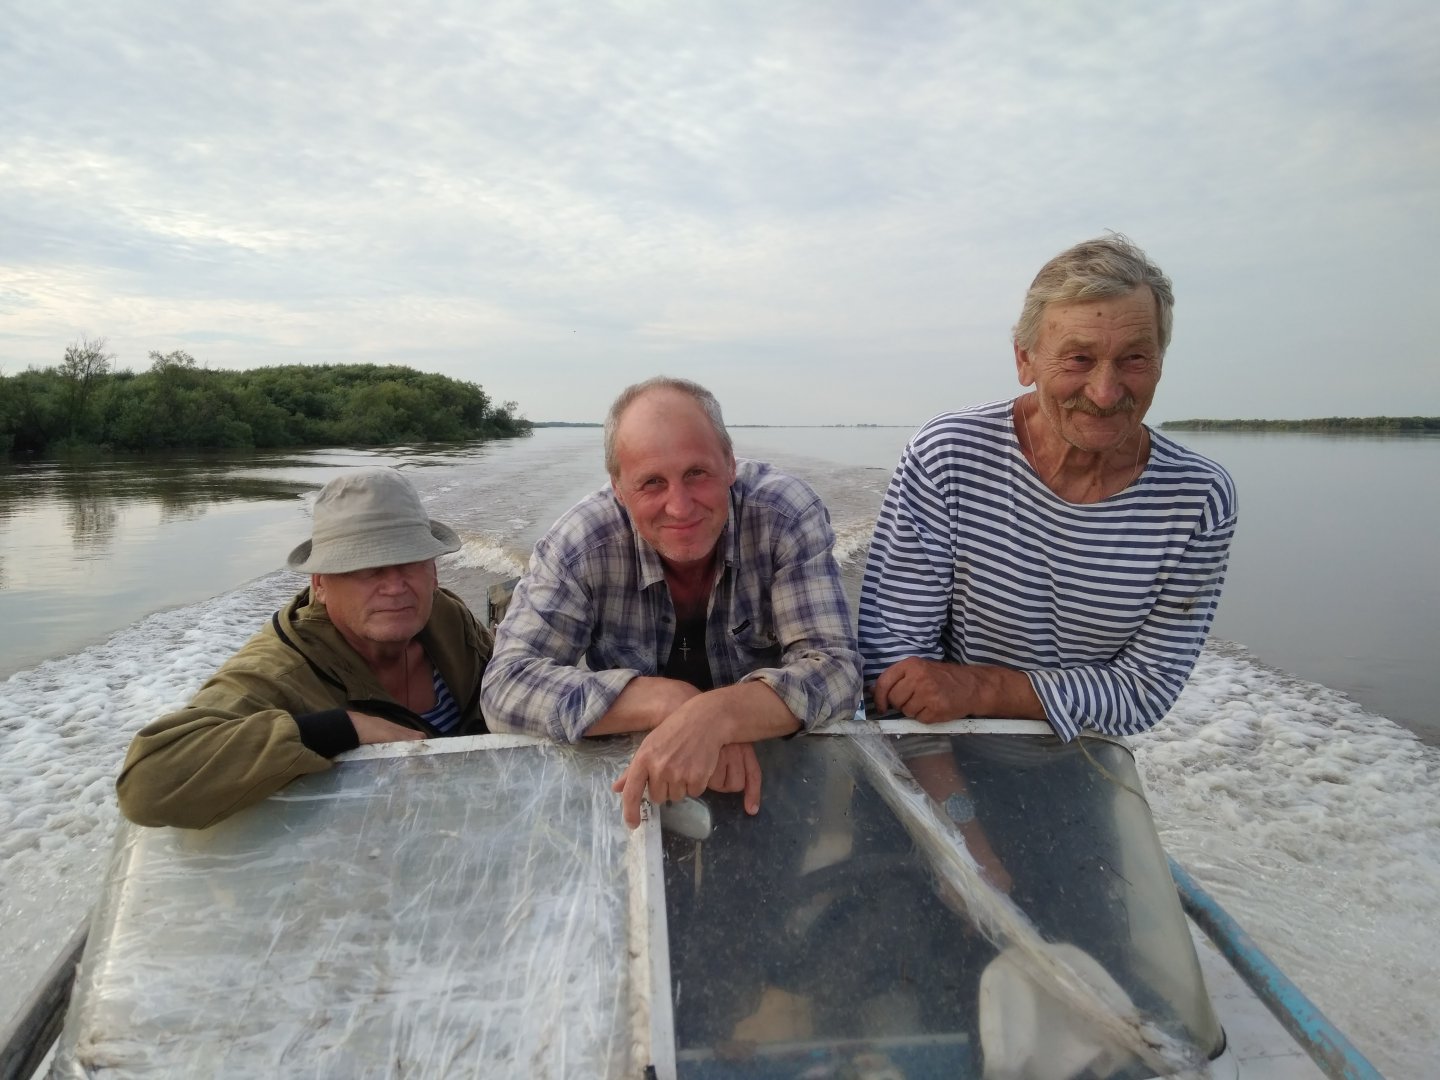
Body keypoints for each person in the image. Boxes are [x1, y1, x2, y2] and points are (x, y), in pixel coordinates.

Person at [859, 233, 1237, 739]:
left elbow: (1146, 690)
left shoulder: (1198, 498)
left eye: (1134, 358)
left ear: (1160, 362)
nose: (1105, 393)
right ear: (1025, 360)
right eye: (1078, 358)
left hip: (1079, 748)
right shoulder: (948, 456)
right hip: (940, 738)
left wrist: (983, 688)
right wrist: (948, 785)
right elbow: (894, 661)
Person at [481, 376, 862, 827]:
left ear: (729, 464)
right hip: (641, 773)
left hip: (769, 768)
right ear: (619, 488)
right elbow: (505, 687)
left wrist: (718, 715)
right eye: (652, 483)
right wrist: (667, 701)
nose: (679, 507)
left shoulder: (784, 516)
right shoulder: (581, 544)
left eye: (697, 473)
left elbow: (837, 670)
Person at [116, 467, 492, 829]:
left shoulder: (446, 618)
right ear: (320, 584)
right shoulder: (281, 671)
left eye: (410, 562)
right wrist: (340, 729)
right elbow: (147, 781)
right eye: (368, 568)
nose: (395, 587)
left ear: (433, 572)